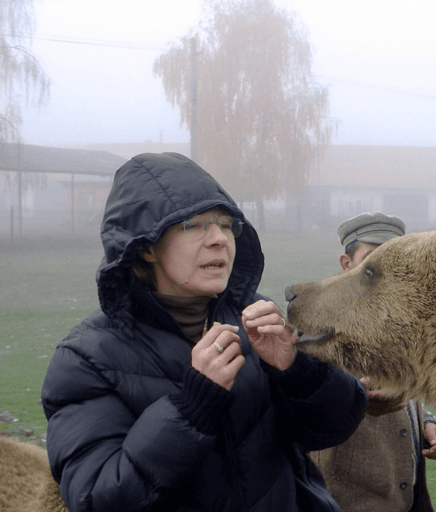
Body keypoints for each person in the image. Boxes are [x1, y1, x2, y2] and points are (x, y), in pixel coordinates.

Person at [40, 152, 367, 512]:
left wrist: (297, 371)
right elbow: (95, 498)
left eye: (226, 224)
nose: (219, 240)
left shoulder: (256, 320)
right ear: (146, 246)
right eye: (193, 225)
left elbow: (334, 427)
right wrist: (192, 407)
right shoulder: (85, 359)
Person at [310, 212, 436, 512]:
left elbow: (407, 386)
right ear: (346, 265)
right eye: (375, 258)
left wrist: (428, 422)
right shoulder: (316, 326)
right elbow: (303, 408)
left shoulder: (404, 322)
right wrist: (356, 401)